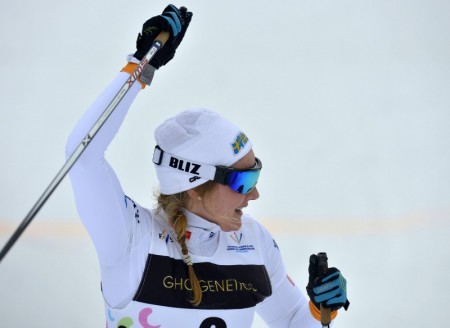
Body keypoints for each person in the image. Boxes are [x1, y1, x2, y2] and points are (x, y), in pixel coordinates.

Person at [66, 4, 349, 327]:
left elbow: (291, 320)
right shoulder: (132, 239)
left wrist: (318, 311)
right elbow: (82, 156)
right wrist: (140, 67)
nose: (254, 193)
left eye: (257, 172)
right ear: (196, 187)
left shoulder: (254, 242)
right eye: (243, 180)